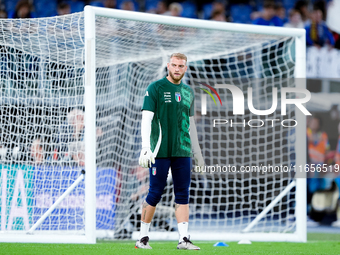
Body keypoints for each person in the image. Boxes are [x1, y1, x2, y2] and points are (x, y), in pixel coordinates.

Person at [136, 53, 204, 250]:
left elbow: (190, 125)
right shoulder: (155, 88)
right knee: (155, 192)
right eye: (173, 65)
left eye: (181, 66)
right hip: (160, 150)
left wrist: (197, 152)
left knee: (183, 193)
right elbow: (146, 119)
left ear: (185, 68)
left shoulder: (188, 91)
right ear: (168, 66)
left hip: (182, 150)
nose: (177, 69)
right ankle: (142, 238)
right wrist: (145, 147)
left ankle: (183, 239)